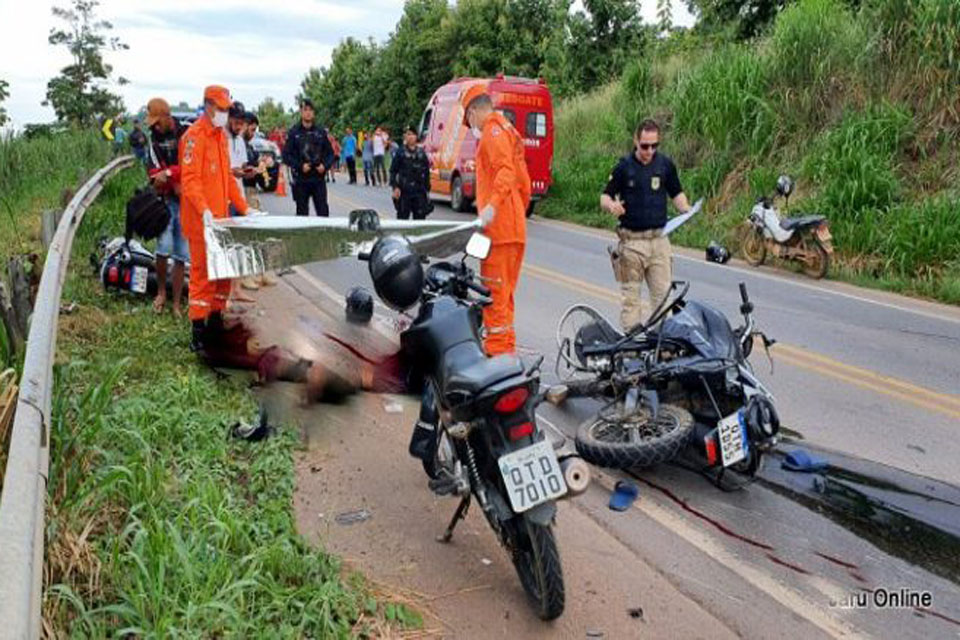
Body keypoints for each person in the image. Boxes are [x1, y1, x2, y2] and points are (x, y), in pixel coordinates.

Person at [179, 85, 259, 353]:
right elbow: (190, 182)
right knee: (202, 278)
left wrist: (244, 209)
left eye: (227, 109)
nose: (225, 113)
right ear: (208, 106)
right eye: (222, 109)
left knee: (223, 276)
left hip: (221, 223)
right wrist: (204, 211)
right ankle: (198, 335)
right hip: (201, 223)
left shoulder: (220, 138)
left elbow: (227, 181)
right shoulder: (194, 137)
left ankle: (214, 324)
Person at [600, 119, 691, 330]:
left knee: (663, 300)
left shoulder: (665, 165)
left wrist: (686, 208)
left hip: (659, 241)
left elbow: (676, 193)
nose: (649, 151)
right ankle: (632, 353)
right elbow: (604, 196)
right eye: (644, 146)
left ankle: (663, 350)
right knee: (631, 302)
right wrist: (612, 205)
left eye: (654, 146)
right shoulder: (624, 167)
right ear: (636, 140)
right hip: (632, 244)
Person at [463, 87, 532, 356]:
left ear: (473, 112)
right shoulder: (509, 131)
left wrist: (491, 208)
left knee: (494, 295)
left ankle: (498, 355)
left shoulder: (492, 132)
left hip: (499, 231)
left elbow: (505, 171)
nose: (471, 128)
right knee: (506, 296)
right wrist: (517, 211)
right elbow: (523, 181)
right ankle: (506, 348)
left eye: (469, 122)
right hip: (514, 229)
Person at [144, 98, 187, 317]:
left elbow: (190, 165)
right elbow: (153, 176)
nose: (155, 127)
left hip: (187, 202)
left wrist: (169, 174)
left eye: (157, 122)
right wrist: (172, 179)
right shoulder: (153, 140)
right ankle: (161, 292)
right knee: (163, 247)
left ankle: (177, 303)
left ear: (166, 117)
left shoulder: (184, 133)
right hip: (166, 201)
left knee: (181, 253)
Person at [282, 99, 334, 216]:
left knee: (323, 213)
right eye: (305, 110)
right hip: (301, 180)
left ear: (314, 113)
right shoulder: (294, 132)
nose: (308, 113)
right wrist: (300, 166)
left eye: (310, 110)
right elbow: (285, 155)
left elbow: (330, 154)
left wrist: (324, 166)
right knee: (302, 215)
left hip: (318, 179)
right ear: (301, 112)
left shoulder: (320, 132)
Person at [390, 126, 431, 220]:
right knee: (402, 220)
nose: (410, 137)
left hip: (419, 191)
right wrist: (395, 187)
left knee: (419, 221)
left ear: (416, 136)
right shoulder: (400, 153)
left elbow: (427, 172)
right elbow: (393, 171)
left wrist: (427, 190)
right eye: (408, 134)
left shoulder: (422, 153)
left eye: (412, 134)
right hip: (404, 191)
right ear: (405, 137)